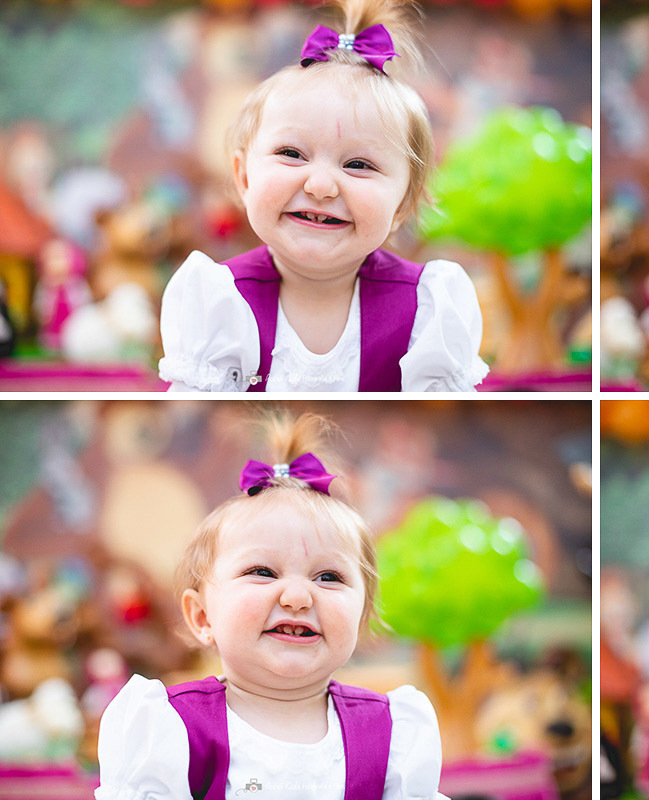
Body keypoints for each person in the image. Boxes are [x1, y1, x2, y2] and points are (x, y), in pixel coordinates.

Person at [96, 413, 447, 799]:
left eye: (328, 577)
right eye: (262, 571)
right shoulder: (172, 732)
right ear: (201, 616)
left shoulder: (392, 734)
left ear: (362, 615)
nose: (297, 597)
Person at [159, 0, 488, 392]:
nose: (320, 185)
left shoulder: (426, 312)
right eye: (292, 154)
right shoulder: (219, 305)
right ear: (244, 176)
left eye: (359, 165)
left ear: (403, 204)